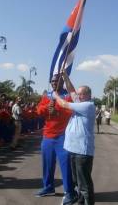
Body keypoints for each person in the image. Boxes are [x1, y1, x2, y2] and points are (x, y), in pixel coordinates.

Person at [53, 71, 95, 205]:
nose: (79, 96)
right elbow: (71, 91)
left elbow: (64, 104)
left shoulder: (88, 105)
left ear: (88, 95)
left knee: (84, 184)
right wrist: (65, 77)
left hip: (82, 151)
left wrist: (56, 96)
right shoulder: (80, 102)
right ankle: (81, 202)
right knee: (77, 181)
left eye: (82, 94)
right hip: (73, 148)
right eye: (79, 93)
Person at [34, 74, 77, 205]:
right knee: (47, 164)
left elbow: (71, 111)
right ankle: (48, 187)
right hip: (48, 135)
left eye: (56, 81)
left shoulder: (67, 95)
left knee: (66, 165)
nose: (53, 83)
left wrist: (57, 111)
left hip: (63, 136)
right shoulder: (47, 95)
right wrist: (46, 108)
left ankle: (70, 192)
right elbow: (38, 110)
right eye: (52, 81)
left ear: (62, 82)